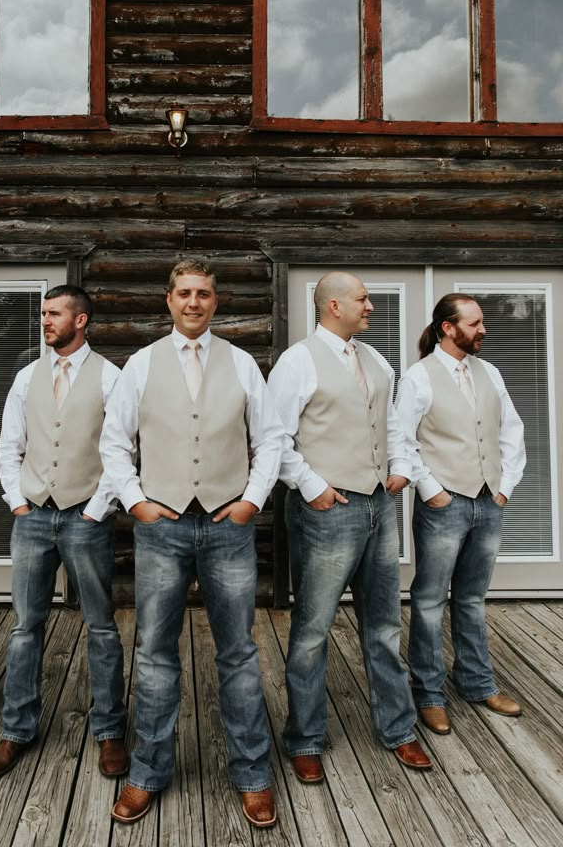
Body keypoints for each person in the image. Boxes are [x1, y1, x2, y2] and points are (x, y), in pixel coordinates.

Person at [87, 259, 284, 828]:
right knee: (154, 654)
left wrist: (251, 500)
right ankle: (147, 772)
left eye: (203, 294)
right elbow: (114, 442)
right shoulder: (142, 364)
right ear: (167, 301)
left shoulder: (243, 364)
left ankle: (251, 774)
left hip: (229, 527)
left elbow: (269, 440)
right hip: (162, 527)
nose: (193, 302)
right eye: (184, 294)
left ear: (215, 303)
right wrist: (136, 501)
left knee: (240, 653)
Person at [268, 271, 431, 782]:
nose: (371, 307)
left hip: (380, 505)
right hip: (327, 510)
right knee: (313, 631)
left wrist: (403, 466)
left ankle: (399, 729)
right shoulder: (297, 362)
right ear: (333, 305)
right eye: (363, 300)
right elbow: (274, 439)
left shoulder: (376, 359)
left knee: (383, 625)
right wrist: (312, 486)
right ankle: (306, 737)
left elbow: (395, 424)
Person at [0, 285, 127, 780]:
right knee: (24, 627)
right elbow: (10, 444)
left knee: (101, 627)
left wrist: (98, 508)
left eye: (54, 313)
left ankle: (109, 731)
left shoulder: (111, 377)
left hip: (86, 513)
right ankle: (16, 730)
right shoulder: (26, 376)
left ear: (80, 320)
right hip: (34, 516)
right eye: (43, 313)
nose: (45, 320)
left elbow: (122, 448)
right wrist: (16, 501)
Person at [395, 293, 525, 734]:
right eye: (474, 323)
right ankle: (429, 693)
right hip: (445, 503)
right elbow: (402, 440)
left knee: (471, 597)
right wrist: (432, 492)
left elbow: (511, 429)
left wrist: (504, 489)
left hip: (488, 501)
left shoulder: (489, 372)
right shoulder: (419, 377)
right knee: (430, 601)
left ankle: (477, 682)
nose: (483, 330)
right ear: (448, 328)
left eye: (482, 321)